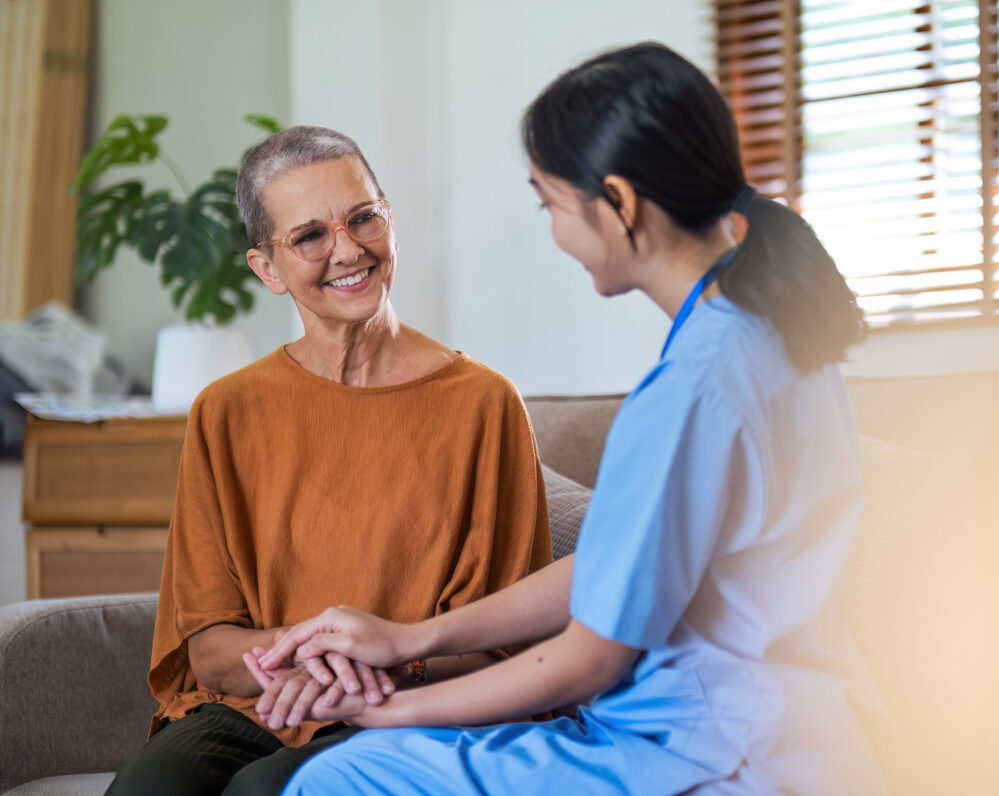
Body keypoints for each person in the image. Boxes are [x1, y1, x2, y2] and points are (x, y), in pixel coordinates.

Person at [249, 43, 885, 795]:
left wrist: (383, 709)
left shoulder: (691, 390)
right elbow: (623, 563)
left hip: (715, 753)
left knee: (340, 777)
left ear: (618, 203)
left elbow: (591, 658)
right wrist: (409, 638)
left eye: (548, 203)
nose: (553, 231)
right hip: (802, 732)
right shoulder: (779, 335)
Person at [104, 126, 552, 796]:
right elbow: (210, 650)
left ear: (390, 222)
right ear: (268, 269)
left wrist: (373, 669)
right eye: (310, 236)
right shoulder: (226, 410)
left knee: (267, 791)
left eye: (364, 217)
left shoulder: (485, 404)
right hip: (263, 701)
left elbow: (509, 646)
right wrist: (318, 664)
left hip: (415, 704)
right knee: (151, 787)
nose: (348, 249)